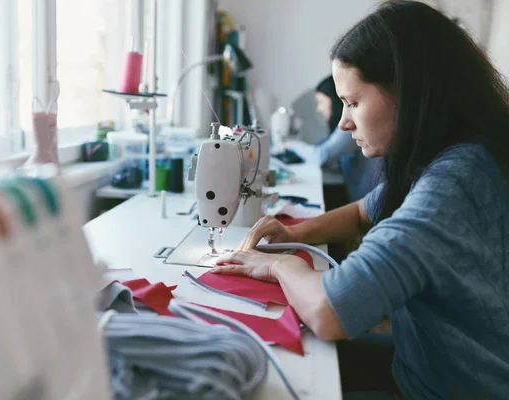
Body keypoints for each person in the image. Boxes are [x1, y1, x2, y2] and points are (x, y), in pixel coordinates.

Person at [212, 1, 509, 399]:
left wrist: (279, 266)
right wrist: (292, 230)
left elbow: (329, 312)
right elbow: (362, 211)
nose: (343, 121)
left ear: (410, 92)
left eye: (352, 102)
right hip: (425, 362)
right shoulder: (460, 153)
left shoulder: (450, 187)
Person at [311, 75, 381, 203]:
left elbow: (321, 155)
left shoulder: (353, 127)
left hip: (363, 201)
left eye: (353, 104)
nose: (318, 109)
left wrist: (290, 144)